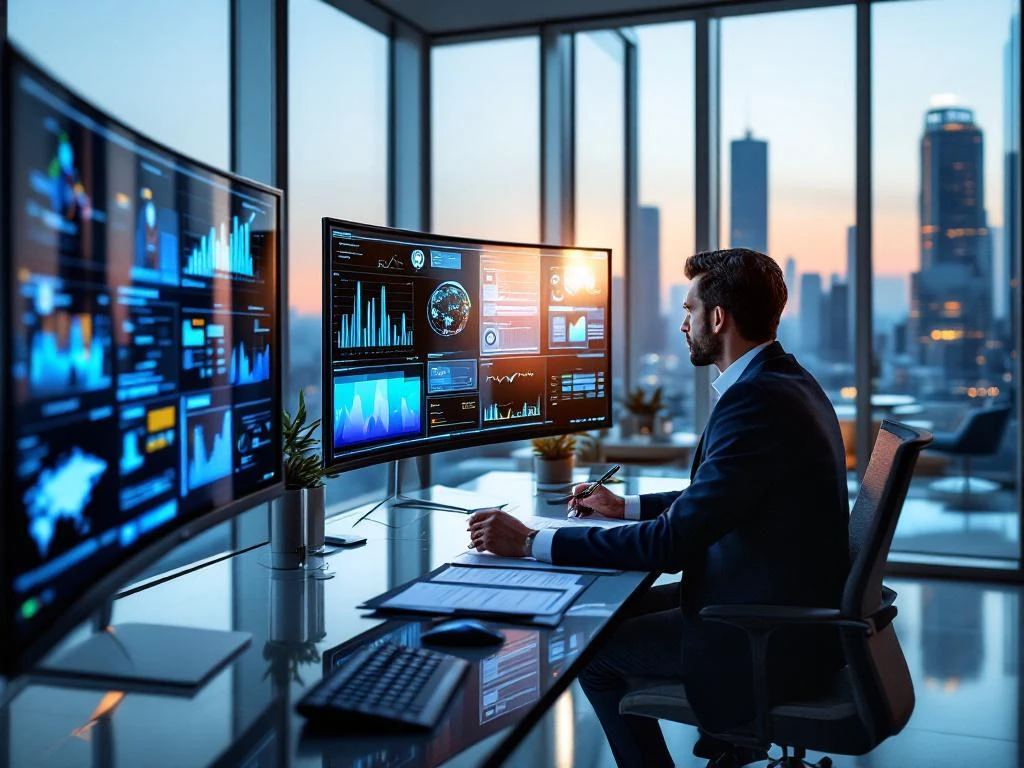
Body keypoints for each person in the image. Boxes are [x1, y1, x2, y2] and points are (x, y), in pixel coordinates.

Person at [468, 248, 850, 768]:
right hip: (776, 598)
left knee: (592, 649)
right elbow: (721, 497)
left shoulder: (757, 401)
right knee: (605, 613)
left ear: (718, 318)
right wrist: (623, 506)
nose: (683, 324)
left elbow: (671, 544)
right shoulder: (785, 381)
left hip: (765, 634)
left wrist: (529, 542)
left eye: (690, 311)